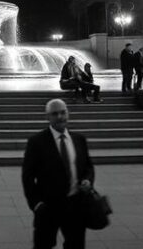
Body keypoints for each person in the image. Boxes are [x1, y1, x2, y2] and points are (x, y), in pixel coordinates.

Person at [22, 99, 94, 249]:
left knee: (76, 244)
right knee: (43, 245)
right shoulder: (36, 142)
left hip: (75, 205)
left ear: (68, 113)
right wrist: (36, 204)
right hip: (48, 207)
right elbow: (27, 176)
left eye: (63, 112)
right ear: (47, 117)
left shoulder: (79, 139)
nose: (60, 117)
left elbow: (88, 167)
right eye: (55, 114)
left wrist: (88, 180)